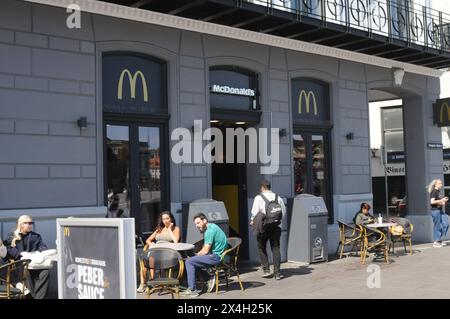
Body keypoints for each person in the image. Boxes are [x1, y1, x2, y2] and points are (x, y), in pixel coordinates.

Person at [181, 213, 227, 298]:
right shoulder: (212, 226)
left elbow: (205, 251)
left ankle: (192, 290)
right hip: (216, 255)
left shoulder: (209, 231)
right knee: (192, 260)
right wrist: (198, 255)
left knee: (189, 261)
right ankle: (208, 278)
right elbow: (205, 249)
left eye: (198, 223)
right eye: (195, 224)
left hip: (216, 257)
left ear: (205, 220)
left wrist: (198, 255)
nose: (196, 226)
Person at [4, 215, 49, 299]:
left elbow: (43, 247)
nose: (29, 225)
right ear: (20, 224)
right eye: (26, 223)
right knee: (26, 271)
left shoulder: (36, 236)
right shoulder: (12, 236)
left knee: (45, 272)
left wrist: (38, 252)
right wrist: (20, 254)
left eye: (30, 223)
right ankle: (31, 297)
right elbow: (7, 248)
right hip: (20, 265)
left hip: (35, 263)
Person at [137, 211, 181, 293]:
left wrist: (169, 229)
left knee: (151, 258)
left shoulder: (176, 228)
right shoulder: (159, 229)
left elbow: (176, 241)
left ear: (171, 219)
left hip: (167, 252)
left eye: (167, 218)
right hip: (156, 250)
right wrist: (152, 243)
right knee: (144, 260)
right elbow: (148, 240)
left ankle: (151, 282)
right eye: (163, 219)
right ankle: (145, 283)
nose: (165, 221)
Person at [250, 180, 286, 280]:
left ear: (262, 187)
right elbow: (283, 212)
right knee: (275, 248)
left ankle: (266, 270)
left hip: (263, 226)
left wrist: (252, 221)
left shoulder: (259, 197)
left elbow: (254, 212)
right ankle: (277, 273)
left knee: (261, 247)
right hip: (276, 226)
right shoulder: (277, 197)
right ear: (269, 187)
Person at [428, 178, 449, 248]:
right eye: (440, 183)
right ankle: (436, 242)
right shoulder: (434, 191)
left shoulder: (438, 191)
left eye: (441, 183)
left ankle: (439, 240)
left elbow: (439, 201)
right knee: (437, 226)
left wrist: (443, 201)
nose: (441, 184)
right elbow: (432, 202)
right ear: (436, 184)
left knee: (446, 224)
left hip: (440, 210)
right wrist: (441, 200)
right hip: (435, 211)